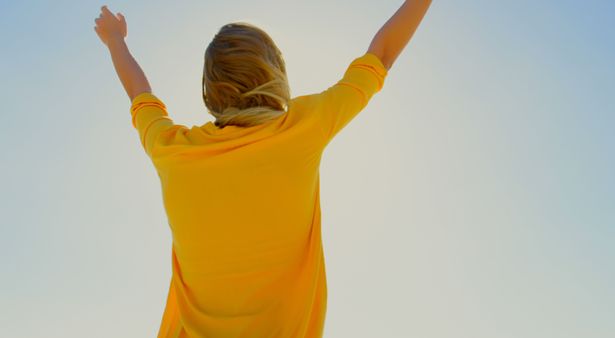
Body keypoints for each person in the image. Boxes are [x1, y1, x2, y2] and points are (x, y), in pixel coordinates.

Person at [94, 1, 432, 337]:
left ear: (209, 89)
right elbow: (381, 55)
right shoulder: (303, 127)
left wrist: (115, 40)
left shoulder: (172, 149)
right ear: (274, 71)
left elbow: (139, 93)